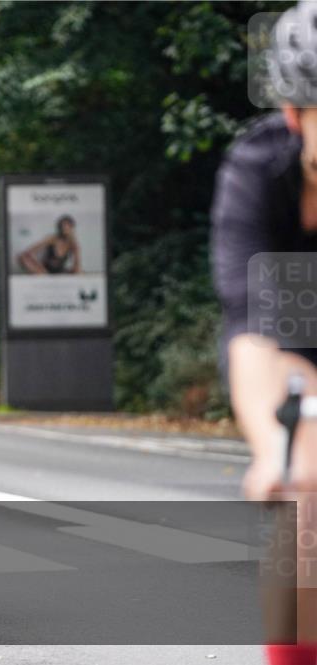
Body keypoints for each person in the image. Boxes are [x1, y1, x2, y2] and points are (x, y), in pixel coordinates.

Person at [210, 4, 317, 663]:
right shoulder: (257, 169)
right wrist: (273, 448)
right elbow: (251, 324)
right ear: (294, 115)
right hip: (296, 330)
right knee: (303, 500)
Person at [16, 215, 81, 275]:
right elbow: (30, 251)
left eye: (68, 227)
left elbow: (77, 265)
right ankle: (44, 275)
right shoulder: (52, 239)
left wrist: (76, 249)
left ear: (72, 228)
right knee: (22, 257)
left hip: (60, 271)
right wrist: (38, 265)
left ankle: (48, 276)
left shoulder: (73, 244)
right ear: (59, 228)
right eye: (63, 226)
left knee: (79, 272)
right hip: (44, 270)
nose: (65, 229)